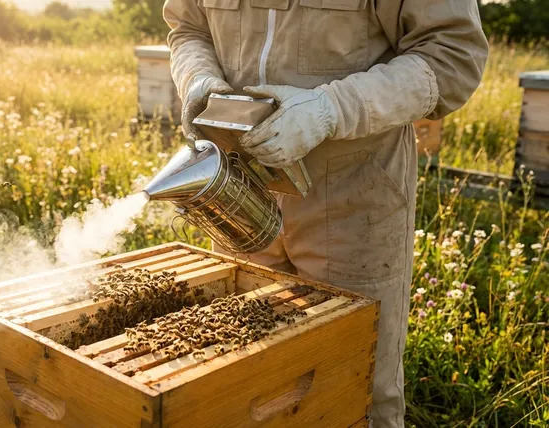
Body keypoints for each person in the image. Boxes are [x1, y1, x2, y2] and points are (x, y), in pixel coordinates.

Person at [163, 0, 488, 426]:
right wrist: (199, 80)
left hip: (353, 196)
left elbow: (452, 53)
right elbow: (188, 28)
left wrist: (329, 109)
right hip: (238, 186)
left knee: (354, 387)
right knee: (242, 377)